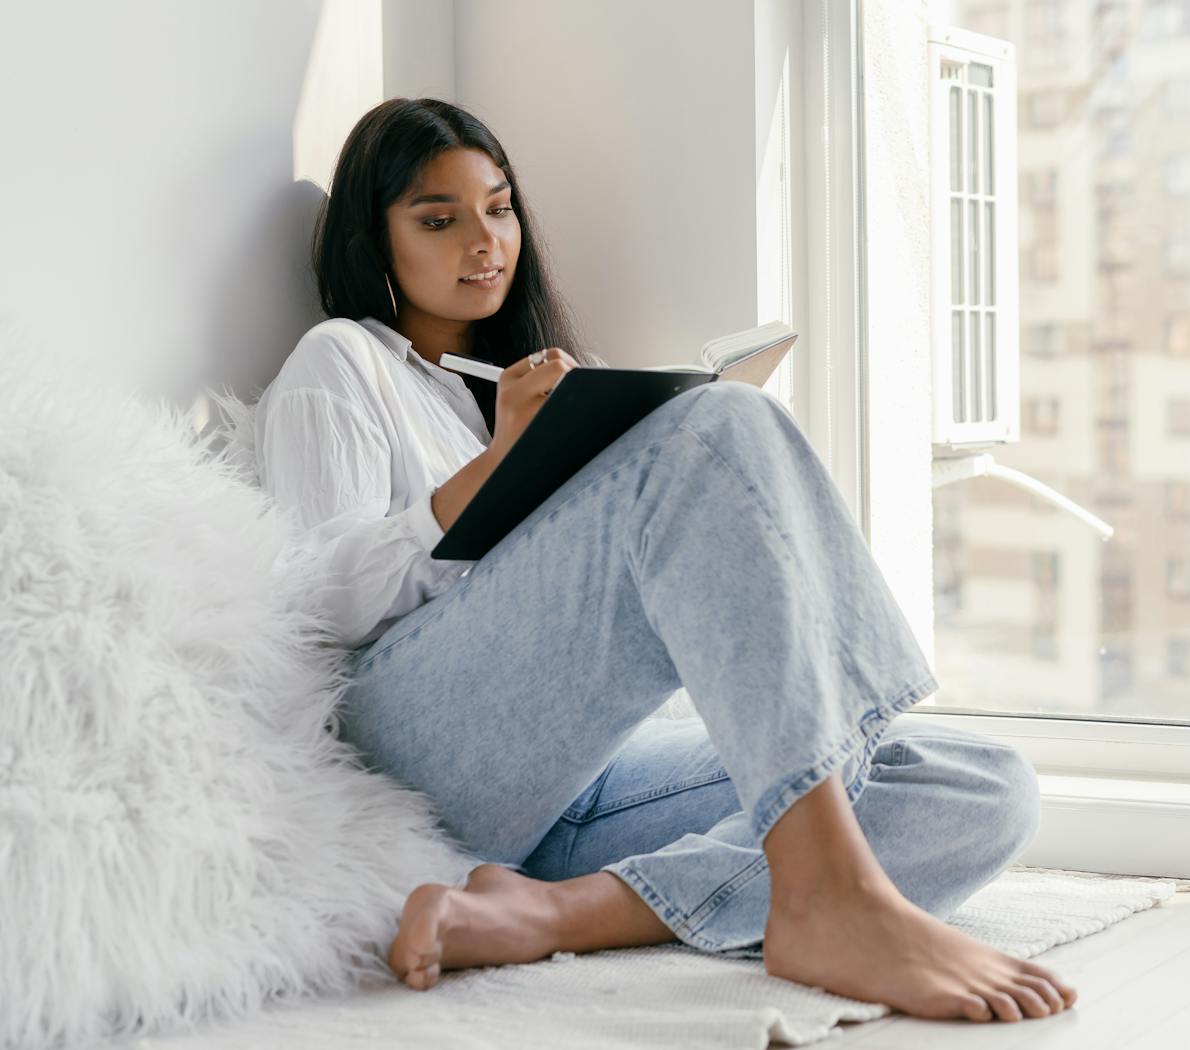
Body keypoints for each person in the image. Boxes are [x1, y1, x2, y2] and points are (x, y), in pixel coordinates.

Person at [252, 97, 1077, 1024]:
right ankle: (825, 897)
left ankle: (557, 910)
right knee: (721, 426)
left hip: (573, 775)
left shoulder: (533, 377)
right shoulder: (342, 363)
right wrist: (495, 470)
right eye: (438, 220)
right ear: (374, 241)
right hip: (417, 749)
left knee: (981, 784)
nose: (482, 241)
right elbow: (317, 605)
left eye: (499, 208)